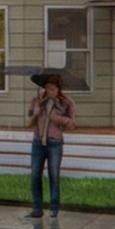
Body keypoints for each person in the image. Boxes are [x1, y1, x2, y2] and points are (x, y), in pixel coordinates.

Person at [25, 72, 75, 218]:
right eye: (47, 88)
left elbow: (72, 124)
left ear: (58, 89)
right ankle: (37, 208)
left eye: (53, 88)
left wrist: (57, 118)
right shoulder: (37, 100)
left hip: (55, 143)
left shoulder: (67, 102)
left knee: (53, 175)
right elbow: (28, 122)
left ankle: (54, 208)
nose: (50, 91)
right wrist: (36, 113)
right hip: (38, 142)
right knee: (35, 175)